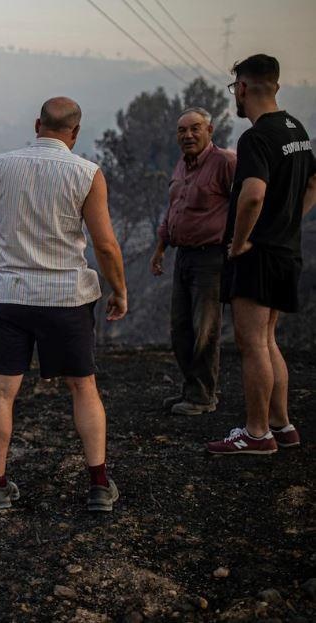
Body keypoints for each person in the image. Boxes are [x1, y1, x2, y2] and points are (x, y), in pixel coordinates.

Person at [0, 97, 128, 512]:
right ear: (75, 133)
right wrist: (118, 289)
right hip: (66, 298)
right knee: (83, 387)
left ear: (38, 124)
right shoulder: (87, 173)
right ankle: (97, 486)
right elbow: (106, 245)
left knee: (2, 391)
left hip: (14, 294)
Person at [206, 54, 316, 455]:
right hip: (285, 251)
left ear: (243, 88)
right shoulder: (297, 130)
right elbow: (312, 183)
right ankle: (282, 426)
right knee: (268, 340)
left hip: (258, 256)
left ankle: (256, 435)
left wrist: (239, 242)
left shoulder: (255, 137)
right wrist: (287, 222)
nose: (235, 94)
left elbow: (252, 194)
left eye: (235, 88)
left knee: (252, 344)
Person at [150, 108, 237, 415]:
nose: (187, 135)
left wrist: (239, 244)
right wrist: (160, 248)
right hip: (183, 256)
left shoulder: (225, 162)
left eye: (195, 129)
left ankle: (202, 396)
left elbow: (247, 202)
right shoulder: (182, 165)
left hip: (211, 258)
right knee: (181, 328)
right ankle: (191, 387)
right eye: (182, 131)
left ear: (210, 130)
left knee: (205, 329)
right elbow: (173, 209)